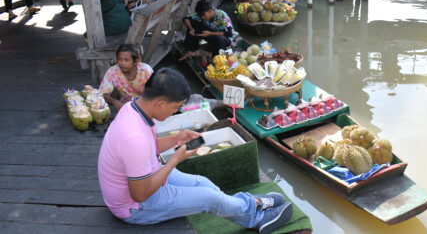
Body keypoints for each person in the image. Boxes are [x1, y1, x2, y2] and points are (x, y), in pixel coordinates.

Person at [97, 67, 292, 231]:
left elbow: (149, 147)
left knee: (204, 184)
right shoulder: (133, 138)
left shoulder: (135, 108)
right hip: (135, 207)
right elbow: (140, 194)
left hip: (148, 176)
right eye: (176, 107)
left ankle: (248, 210)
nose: (175, 111)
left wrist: (176, 138)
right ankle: (254, 212)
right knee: (208, 198)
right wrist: (175, 160)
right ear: (161, 103)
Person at [99, 44, 153, 111]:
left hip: (147, 106)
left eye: (126, 60)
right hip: (127, 107)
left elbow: (156, 93)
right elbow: (102, 93)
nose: (122, 63)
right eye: (119, 59)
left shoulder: (145, 71)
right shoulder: (112, 72)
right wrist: (114, 101)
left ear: (136, 61)